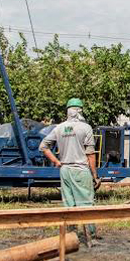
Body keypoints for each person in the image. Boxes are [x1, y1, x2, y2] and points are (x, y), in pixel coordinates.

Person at [40, 98, 100, 245]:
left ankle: (71, 239)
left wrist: (56, 161)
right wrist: (95, 176)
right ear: (79, 111)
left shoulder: (59, 128)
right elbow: (91, 154)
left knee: (69, 205)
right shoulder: (85, 128)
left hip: (65, 171)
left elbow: (43, 146)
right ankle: (90, 238)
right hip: (80, 170)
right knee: (86, 204)